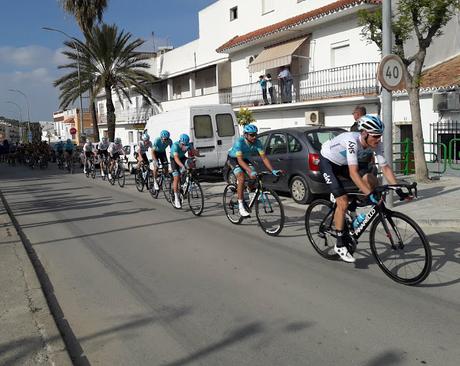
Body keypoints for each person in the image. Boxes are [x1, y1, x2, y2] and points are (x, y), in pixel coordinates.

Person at [319, 115, 409, 263]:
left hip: (343, 164)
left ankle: (353, 208)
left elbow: (385, 167)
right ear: (365, 134)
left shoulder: (376, 144)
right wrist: (370, 195)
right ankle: (340, 244)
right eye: (376, 136)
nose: (378, 139)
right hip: (328, 162)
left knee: (371, 179)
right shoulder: (351, 141)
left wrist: (398, 189)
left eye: (380, 136)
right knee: (342, 201)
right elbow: (353, 174)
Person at [227, 124, 281, 217]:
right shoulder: (239, 142)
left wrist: (273, 170)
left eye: (255, 134)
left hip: (244, 159)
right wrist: (249, 171)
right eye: (252, 135)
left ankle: (248, 189)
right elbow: (239, 160)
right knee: (241, 177)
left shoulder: (257, 142)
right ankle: (241, 207)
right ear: (245, 135)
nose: (254, 137)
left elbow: (264, 158)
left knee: (255, 175)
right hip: (233, 159)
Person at [170, 134, 194, 209]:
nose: (184, 146)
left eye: (185, 145)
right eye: (183, 144)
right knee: (176, 177)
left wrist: (200, 156)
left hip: (182, 157)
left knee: (190, 163)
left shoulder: (188, 145)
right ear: (180, 142)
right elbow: (176, 158)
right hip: (174, 160)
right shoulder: (175, 146)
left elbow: (194, 152)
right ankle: (176, 197)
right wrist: (182, 166)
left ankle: (184, 183)